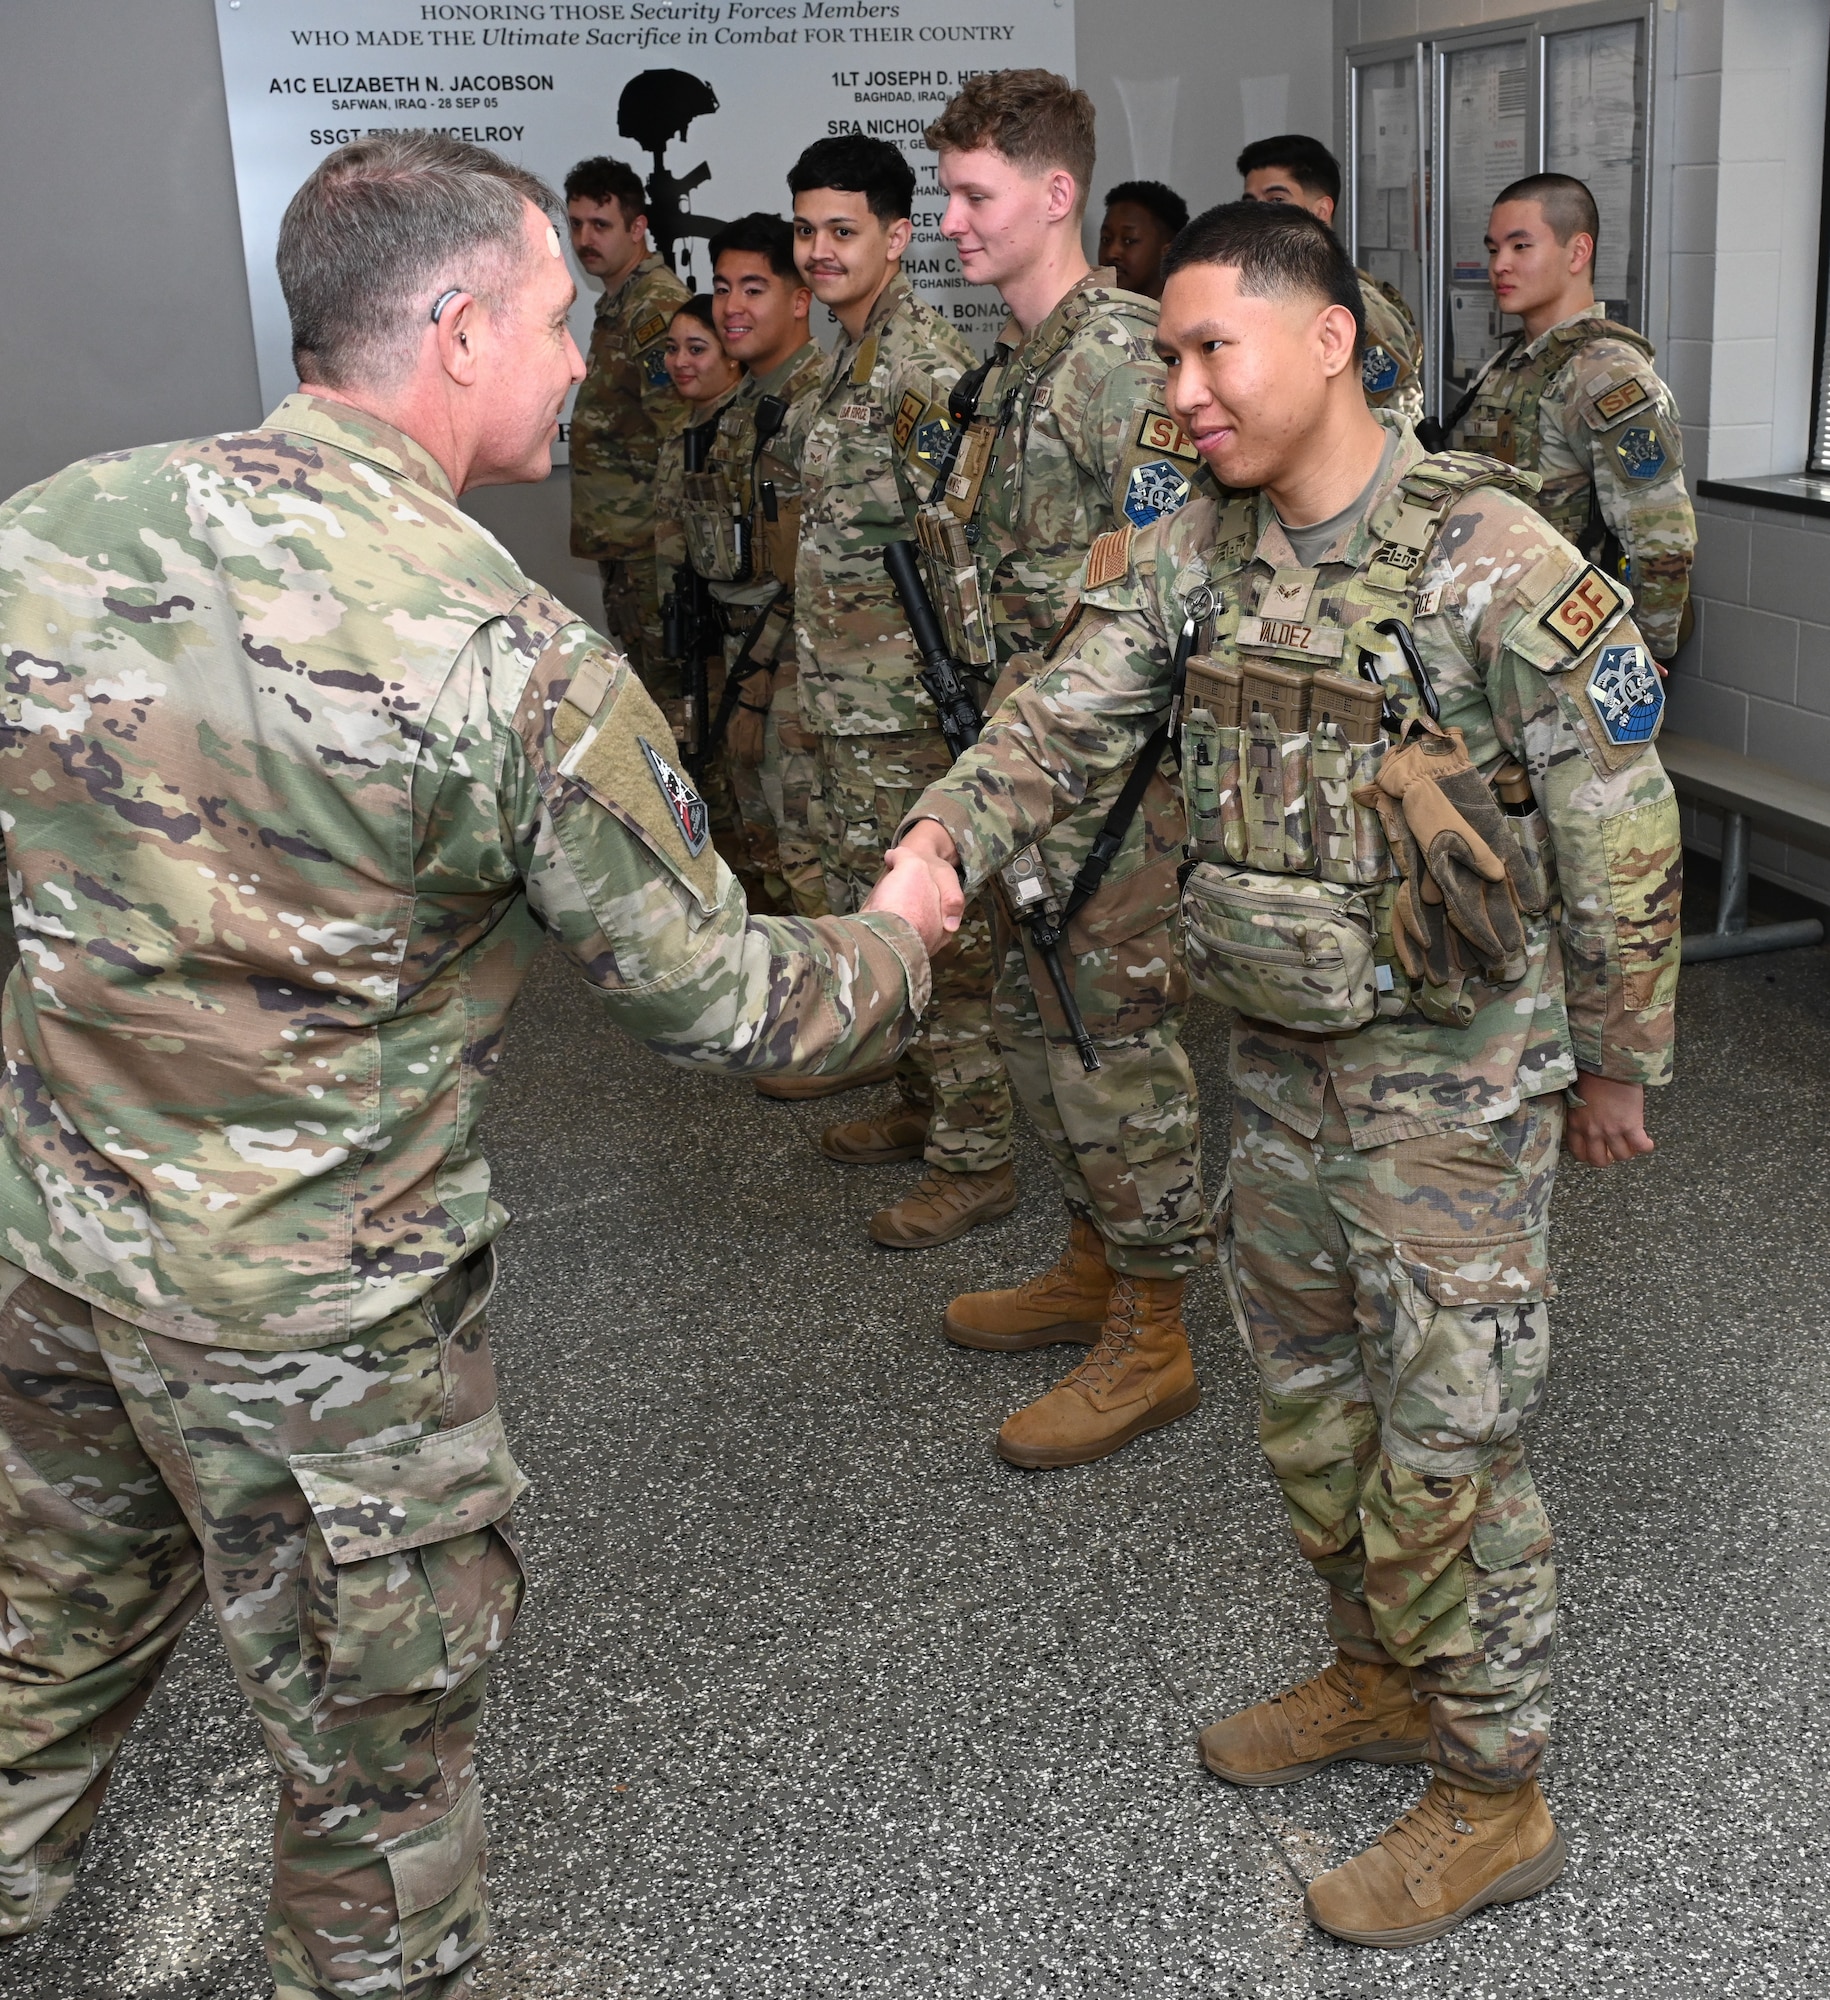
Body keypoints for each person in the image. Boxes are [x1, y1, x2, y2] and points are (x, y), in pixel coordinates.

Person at [0, 134, 949, 1999]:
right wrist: (906, 934)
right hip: (317, 1340)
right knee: (369, 1776)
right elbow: (725, 1006)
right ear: (451, 331)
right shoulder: (508, 658)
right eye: (554, 317)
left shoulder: (51, 532)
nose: (582, 354)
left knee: (26, 1674)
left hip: (59, 1264)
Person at [890, 199, 1679, 1946]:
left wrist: (1620, 1059)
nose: (1179, 391)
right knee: (1311, 1416)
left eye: (1205, 349)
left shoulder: (1491, 557)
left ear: (1327, 341)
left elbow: (1623, 823)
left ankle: (1496, 1793)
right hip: (1285, 1072)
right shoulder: (1195, 548)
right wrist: (939, 845)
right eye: (1164, 354)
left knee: (1445, 1451)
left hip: (1456, 1089)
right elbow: (1064, 706)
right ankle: (1376, 1678)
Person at [919, 69, 1205, 1470]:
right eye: (947, 194)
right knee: (1047, 1039)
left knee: (1111, 1048)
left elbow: (1169, 588)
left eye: (973, 196)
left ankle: (1152, 1332)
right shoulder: (1017, 364)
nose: (950, 223)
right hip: (1029, 767)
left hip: (1112, 790)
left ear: (1052, 194)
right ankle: (1095, 1257)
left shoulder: (1124, 363)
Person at [786, 133, 1022, 1240]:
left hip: (906, 715)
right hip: (844, 700)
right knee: (872, 910)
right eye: (805, 229)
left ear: (896, 235)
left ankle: (977, 1157)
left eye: (842, 231)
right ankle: (924, 1104)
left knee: (946, 939)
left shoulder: (921, 367)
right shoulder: (842, 356)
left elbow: (958, 542)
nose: (818, 250)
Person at [1451, 172, 1696, 663]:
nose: (1500, 264)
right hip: (1502, 626)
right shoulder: (1513, 363)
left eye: (1521, 246)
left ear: (1577, 252)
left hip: (1571, 638)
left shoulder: (1605, 374)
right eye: (1494, 248)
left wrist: (1640, 652)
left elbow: (1660, 535)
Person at [701, 213, 832, 936]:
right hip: (744, 658)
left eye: (754, 288)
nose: (732, 307)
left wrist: (761, 673)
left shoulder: (818, 406)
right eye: (722, 288)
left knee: (802, 856)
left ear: (800, 297)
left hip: (793, 673)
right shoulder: (741, 405)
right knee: (760, 854)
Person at [565, 154, 689, 713]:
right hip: (626, 541)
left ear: (637, 228)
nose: (585, 239)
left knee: (665, 700)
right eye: (576, 225)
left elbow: (681, 430)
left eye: (601, 225)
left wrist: (670, 547)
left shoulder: (653, 306)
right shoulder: (619, 302)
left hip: (650, 548)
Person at [650, 294, 756, 895]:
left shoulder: (732, 433)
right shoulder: (682, 428)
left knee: (725, 781)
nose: (680, 362)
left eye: (697, 348)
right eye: (672, 348)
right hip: (677, 633)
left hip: (722, 650)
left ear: (732, 359)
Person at [1239, 133, 1424, 424]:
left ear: (1321, 212)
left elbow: (1395, 424)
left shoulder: (1357, 306)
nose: (1259, 214)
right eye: (1250, 203)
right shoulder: (1261, 295)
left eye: (1276, 200)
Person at [1098, 179, 1189, 300]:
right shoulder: (1088, 310)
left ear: (1168, 252)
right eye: (1106, 239)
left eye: (1129, 240)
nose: (1111, 253)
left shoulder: (1186, 314)